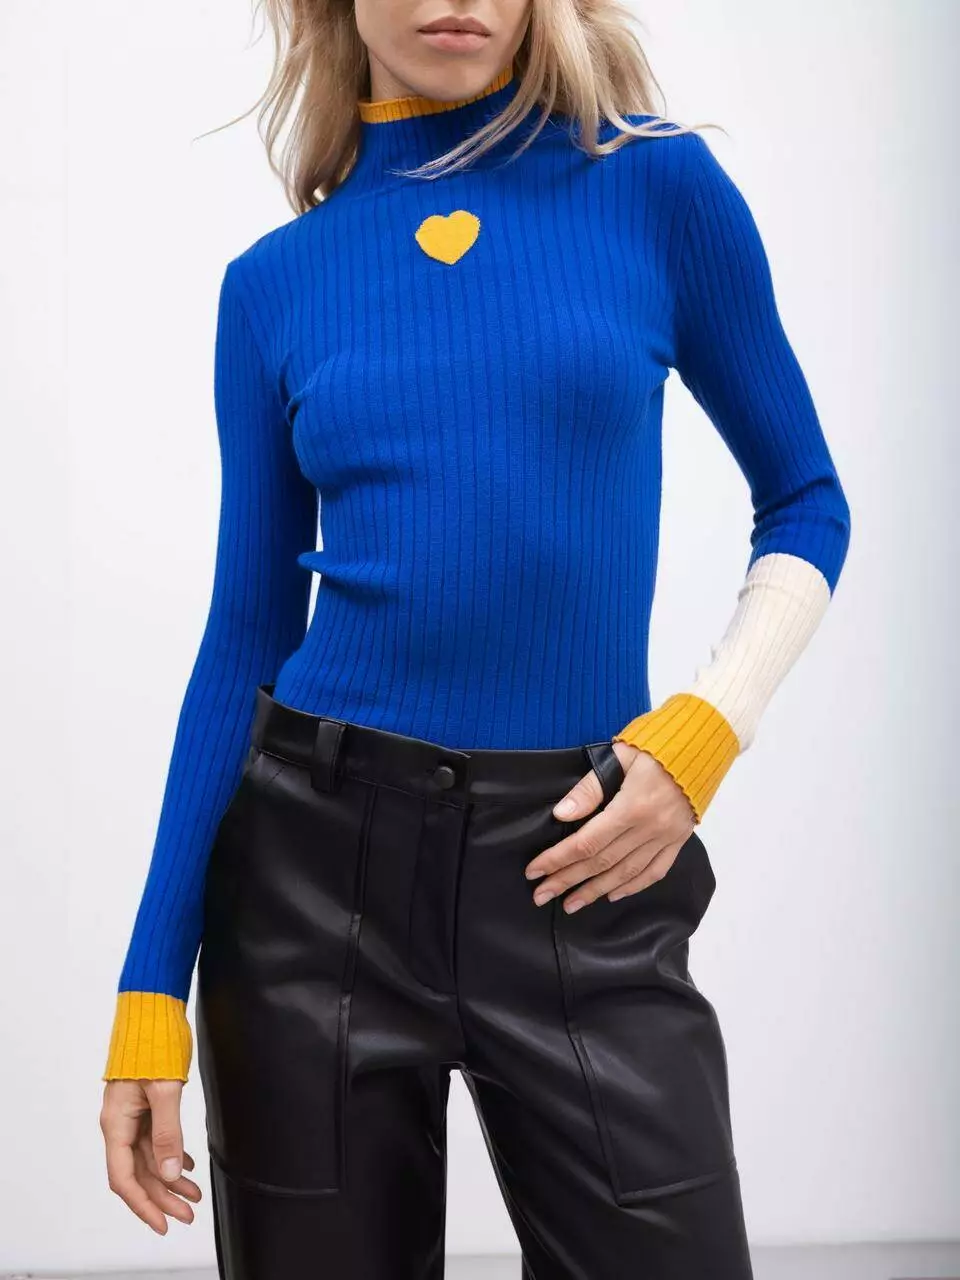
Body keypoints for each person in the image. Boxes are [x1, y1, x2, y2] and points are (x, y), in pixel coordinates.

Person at [98, 1, 851, 1275]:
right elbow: (244, 640)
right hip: (310, 889)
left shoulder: (658, 187)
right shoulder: (274, 285)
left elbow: (807, 502)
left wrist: (702, 734)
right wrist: (146, 992)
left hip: (582, 863)